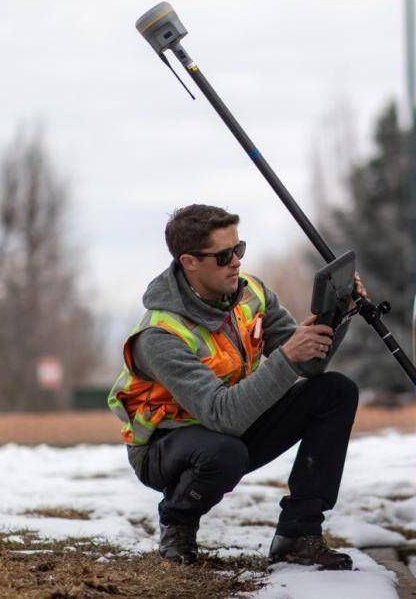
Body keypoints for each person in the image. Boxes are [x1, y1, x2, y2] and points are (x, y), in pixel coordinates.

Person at [107, 204, 364, 570]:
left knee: (335, 392)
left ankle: (298, 533)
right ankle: (177, 522)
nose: (236, 262)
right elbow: (221, 415)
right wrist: (287, 357)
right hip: (167, 446)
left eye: (239, 249)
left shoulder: (252, 294)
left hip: (230, 425)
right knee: (224, 453)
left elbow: (309, 364)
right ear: (189, 262)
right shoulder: (160, 335)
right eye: (224, 255)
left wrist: (338, 313)